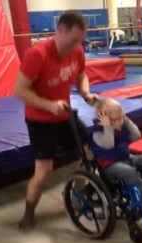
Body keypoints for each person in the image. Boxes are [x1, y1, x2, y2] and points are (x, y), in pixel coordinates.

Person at [13, 10, 98, 231]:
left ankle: (78, 196)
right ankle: (29, 212)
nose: (76, 45)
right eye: (73, 40)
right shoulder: (37, 55)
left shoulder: (77, 51)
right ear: (60, 31)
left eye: (79, 41)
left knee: (89, 151)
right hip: (40, 120)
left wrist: (85, 93)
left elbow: (81, 75)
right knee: (44, 170)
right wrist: (48, 105)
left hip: (64, 115)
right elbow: (19, 91)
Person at [89, 98, 142, 203]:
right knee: (128, 171)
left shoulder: (122, 125)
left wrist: (126, 120)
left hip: (126, 158)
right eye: (114, 120)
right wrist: (108, 127)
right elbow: (109, 144)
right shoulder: (97, 133)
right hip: (110, 166)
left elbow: (136, 136)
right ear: (102, 120)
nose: (118, 123)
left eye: (120, 118)